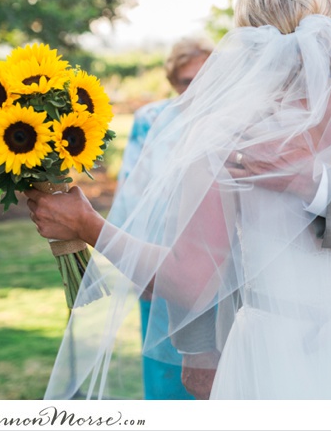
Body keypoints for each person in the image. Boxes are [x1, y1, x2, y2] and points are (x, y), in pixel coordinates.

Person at [26, 0, 331, 399]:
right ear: (323, 11)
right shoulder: (228, 130)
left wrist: (307, 181)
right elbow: (198, 266)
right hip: (273, 353)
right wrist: (200, 350)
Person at [111, 35, 214, 400]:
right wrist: (136, 266)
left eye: (205, 79)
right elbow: (131, 193)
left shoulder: (225, 123)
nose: (196, 91)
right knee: (164, 371)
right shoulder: (150, 120)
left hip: (208, 267)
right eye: (187, 81)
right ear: (173, 82)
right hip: (156, 259)